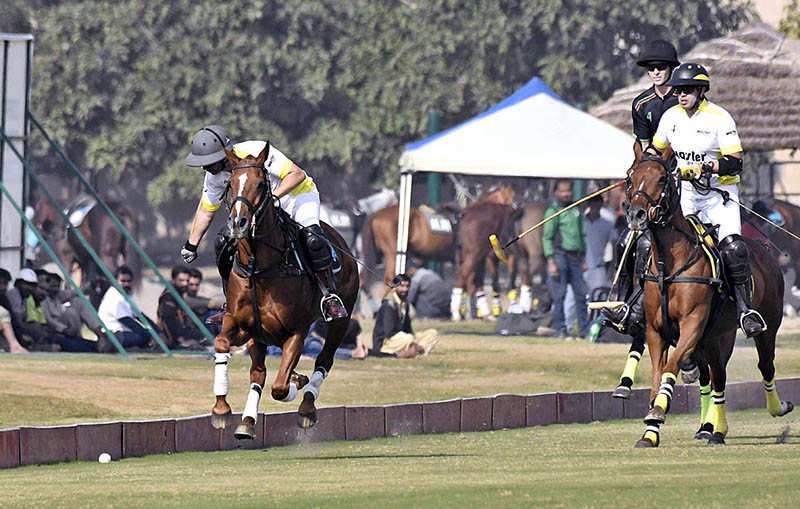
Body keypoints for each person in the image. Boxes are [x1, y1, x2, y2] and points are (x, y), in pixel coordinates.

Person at [181, 125, 347, 322]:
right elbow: (206, 210)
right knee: (222, 242)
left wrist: (272, 198)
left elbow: (297, 174)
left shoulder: (255, 150)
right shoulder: (213, 177)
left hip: (296, 195)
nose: (204, 167)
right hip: (259, 209)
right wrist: (191, 245)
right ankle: (230, 303)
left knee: (312, 239)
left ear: (223, 155)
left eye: (208, 162)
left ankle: (329, 296)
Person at [651, 62, 765, 337]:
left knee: (734, 250)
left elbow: (735, 163)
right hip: (686, 198)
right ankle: (636, 307)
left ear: (701, 91)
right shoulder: (670, 118)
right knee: (654, 241)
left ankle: (744, 311)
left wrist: (705, 168)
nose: (682, 95)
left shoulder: (719, 118)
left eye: (688, 90)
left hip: (719, 198)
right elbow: (657, 150)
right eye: (678, 90)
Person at [601, 40, 681, 397]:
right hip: (654, 178)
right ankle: (624, 304)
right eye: (651, 67)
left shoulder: (685, 100)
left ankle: (735, 306)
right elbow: (642, 143)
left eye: (661, 66)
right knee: (628, 241)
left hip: (683, 180)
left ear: (671, 69)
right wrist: (643, 168)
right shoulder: (642, 104)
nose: (655, 71)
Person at [542, 180, 589, 338]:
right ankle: (561, 328)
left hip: (576, 258)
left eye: (568, 191)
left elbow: (582, 235)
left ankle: (583, 330)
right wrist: (550, 261)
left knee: (581, 295)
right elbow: (547, 238)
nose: (566, 194)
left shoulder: (575, 209)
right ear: (556, 193)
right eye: (562, 191)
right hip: (559, 256)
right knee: (559, 294)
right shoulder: (553, 211)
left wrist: (583, 258)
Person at [39, 271, 109, 353]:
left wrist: (91, 284)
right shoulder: (42, 299)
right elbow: (49, 320)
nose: (55, 289)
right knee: (70, 312)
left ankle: (100, 333)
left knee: (79, 301)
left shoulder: (58, 295)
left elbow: (77, 292)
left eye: (57, 286)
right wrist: (63, 329)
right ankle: (98, 346)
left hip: (68, 327)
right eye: (52, 286)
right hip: (56, 330)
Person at [371, 274, 438, 358]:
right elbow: (389, 332)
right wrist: (412, 340)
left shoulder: (405, 303)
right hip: (386, 342)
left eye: (407, 286)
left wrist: (414, 338)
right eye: (402, 286)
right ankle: (412, 349)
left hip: (403, 338)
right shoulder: (389, 304)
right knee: (408, 338)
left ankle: (413, 349)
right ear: (394, 287)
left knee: (432, 333)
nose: (405, 289)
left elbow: (407, 328)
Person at [97, 265, 155, 351]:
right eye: (123, 281)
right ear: (115, 281)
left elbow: (140, 316)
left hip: (125, 333)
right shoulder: (114, 296)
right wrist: (149, 335)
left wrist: (157, 331)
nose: (126, 284)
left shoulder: (126, 295)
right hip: (113, 335)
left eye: (129, 281)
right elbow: (126, 320)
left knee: (147, 335)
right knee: (141, 337)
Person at [157, 265, 208, 350]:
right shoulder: (169, 296)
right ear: (173, 280)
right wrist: (181, 339)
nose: (185, 283)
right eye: (181, 280)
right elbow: (168, 320)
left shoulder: (179, 293)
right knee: (203, 341)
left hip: (183, 330)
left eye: (187, 281)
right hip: (174, 336)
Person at [583, 195, 616, 298]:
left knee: (600, 300)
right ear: (589, 204)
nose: (595, 207)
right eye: (593, 203)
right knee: (571, 304)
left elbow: (615, 244)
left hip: (598, 268)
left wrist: (613, 266)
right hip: (580, 267)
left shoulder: (607, 224)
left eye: (598, 204)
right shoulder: (580, 222)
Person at [303, 316, 368, 360]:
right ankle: (351, 353)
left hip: (311, 339)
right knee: (318, 349)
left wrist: (321, 339)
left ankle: (356, 350)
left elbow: (313, 331)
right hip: (305, 342)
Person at [184, 267, 224, 333]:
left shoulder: (196, 298)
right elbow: (213, 303)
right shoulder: (185, 299)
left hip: (200, 327)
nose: (194, 288)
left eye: (197, 285)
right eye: (191, 284)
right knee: (214, 314)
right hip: (193, 330)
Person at [0, 269, 28, 353]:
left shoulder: (4, 298)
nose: (3, 287)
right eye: (0, 283)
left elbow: (13, 320)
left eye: (5, 283)